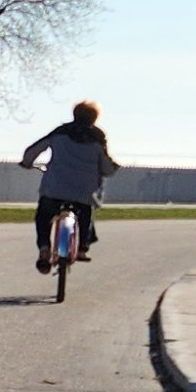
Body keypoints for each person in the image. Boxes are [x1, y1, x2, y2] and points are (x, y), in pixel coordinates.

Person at [19, 101, 120, 270]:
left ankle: (44, 248)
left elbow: (33, 151)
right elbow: (107, 168)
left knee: (43, 217)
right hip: (84, 192)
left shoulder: (60, 133)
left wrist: (27, 163)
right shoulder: (97, 139)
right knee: (85, 212)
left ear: (74, 114)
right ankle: (81, 249)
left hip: (54, 188)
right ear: (95, 118)